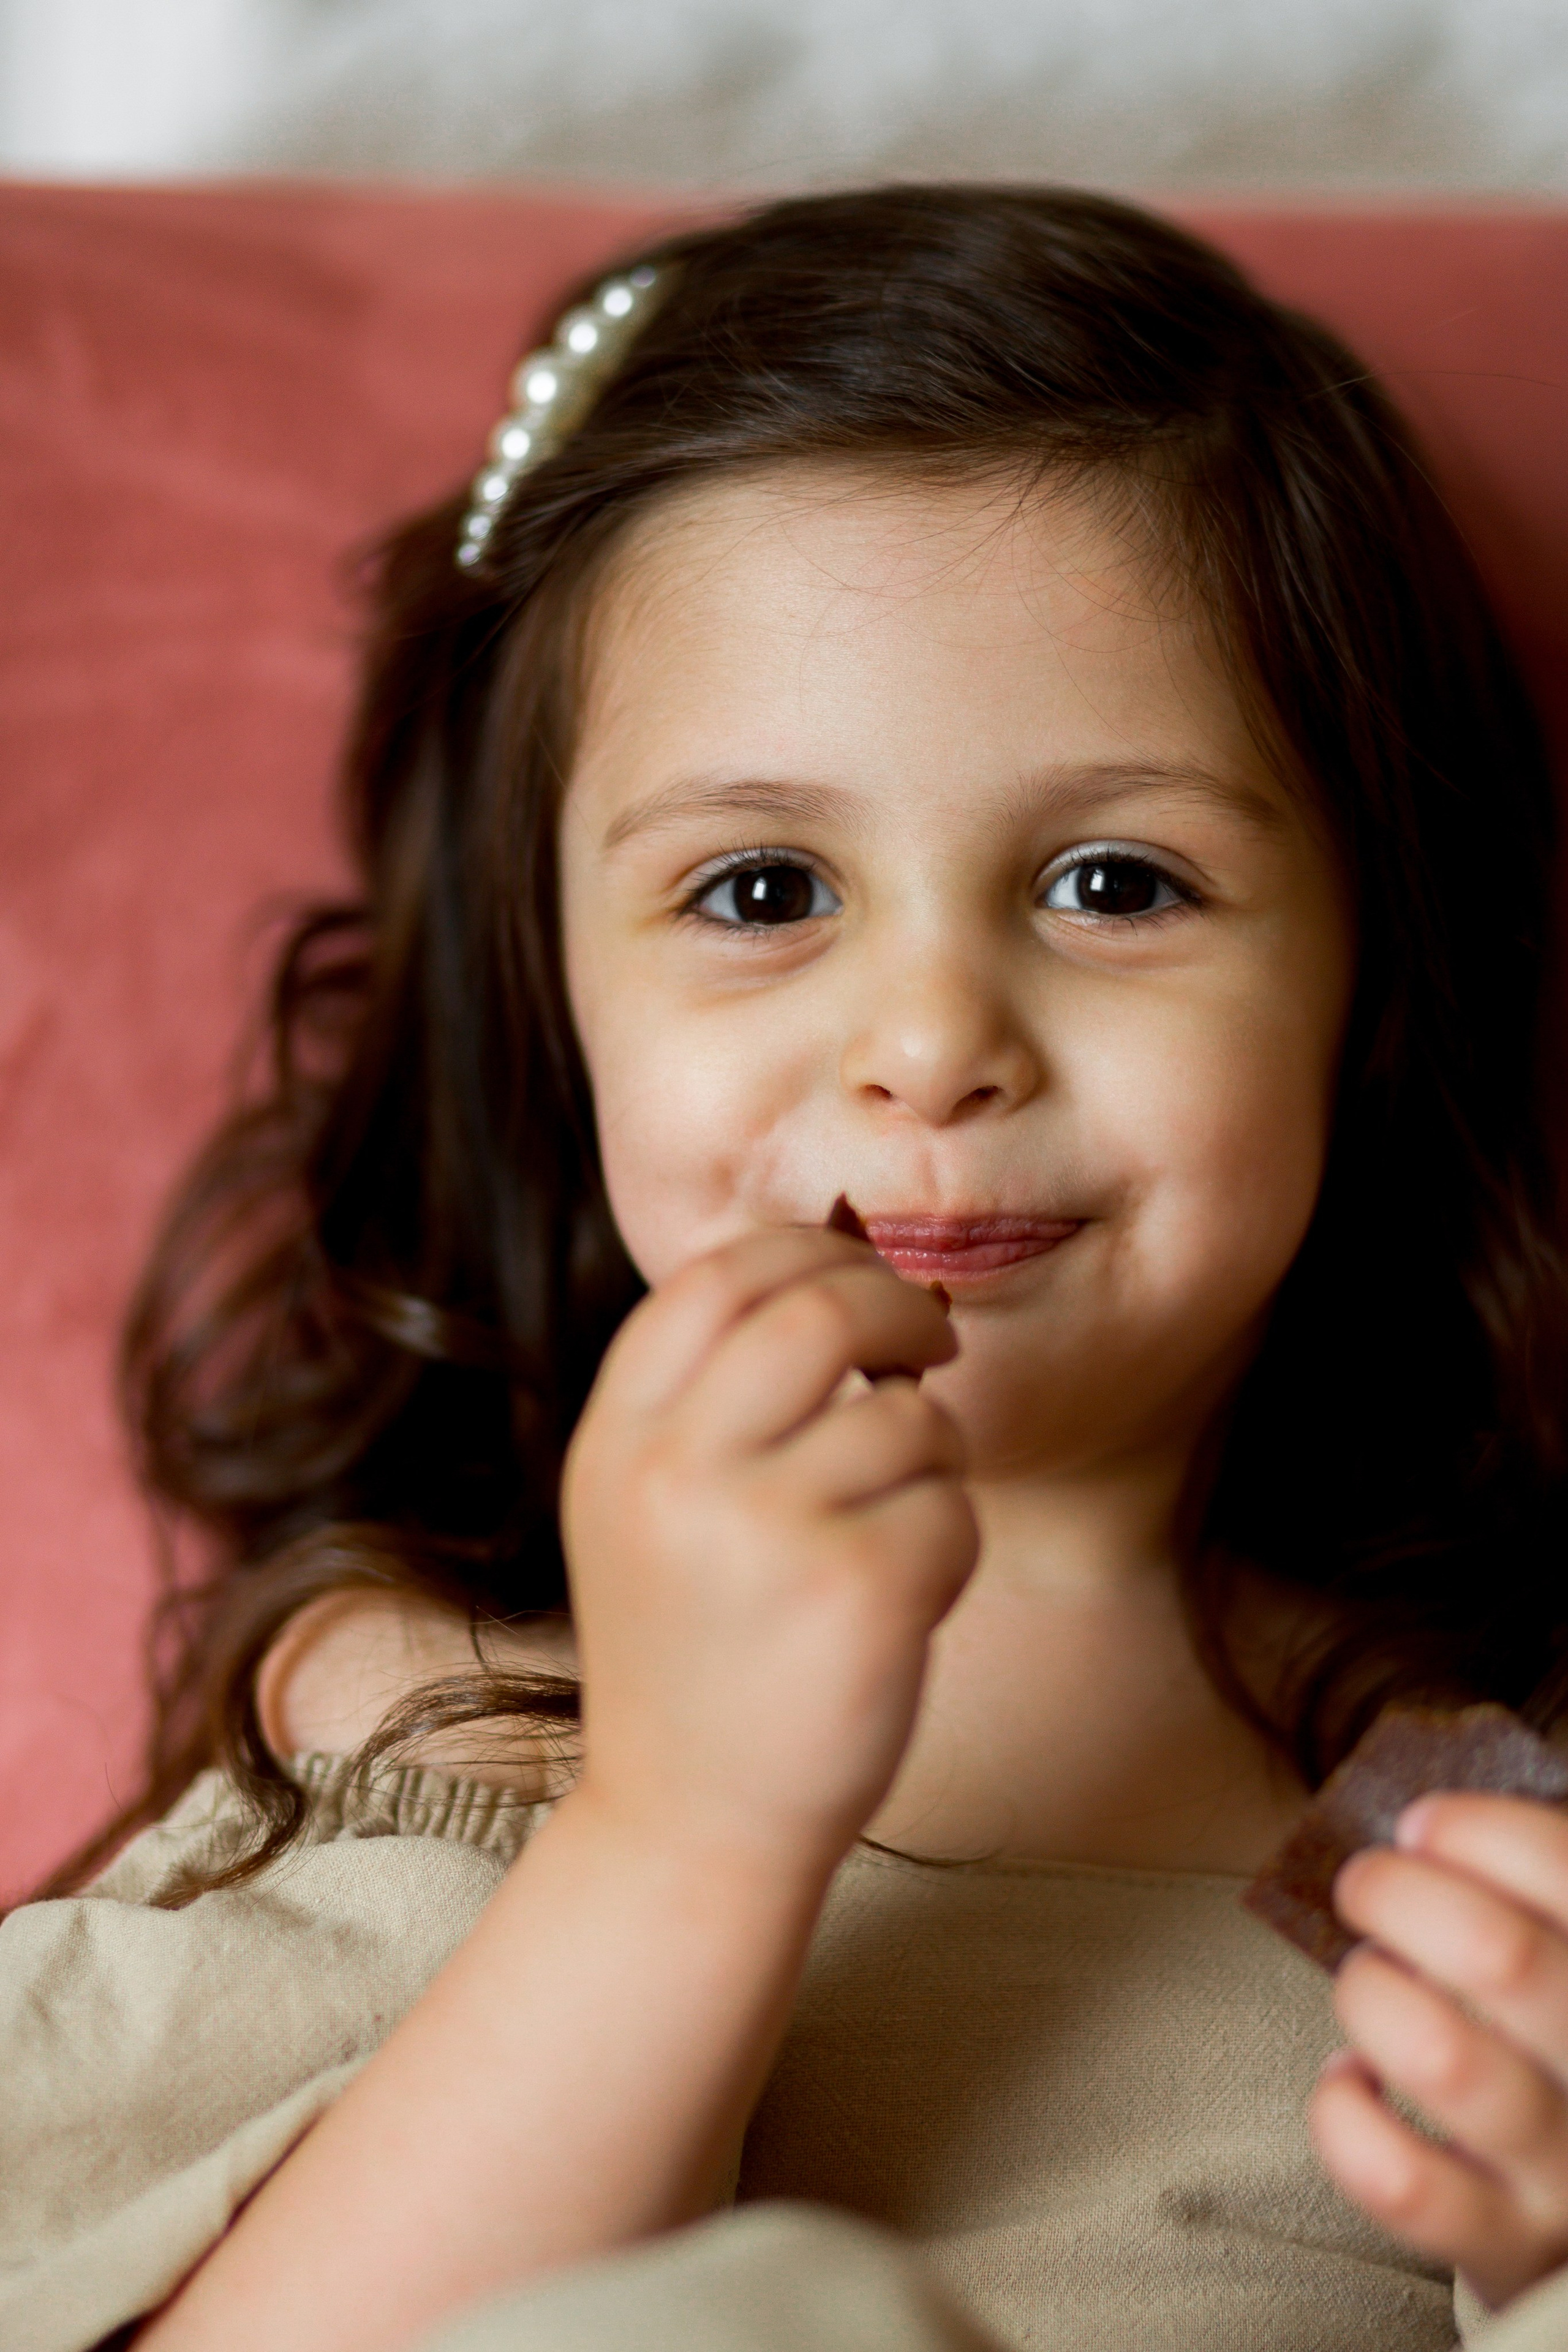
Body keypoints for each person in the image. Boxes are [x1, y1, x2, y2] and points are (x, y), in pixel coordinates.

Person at [6, 183, 1568, 2352]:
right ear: (552, 1003)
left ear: (1372, 974)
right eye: (759, 892)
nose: (931, 1044)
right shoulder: (450, 1713)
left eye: (1119, 879)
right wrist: (682, 1835)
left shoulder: (1512, 1807)